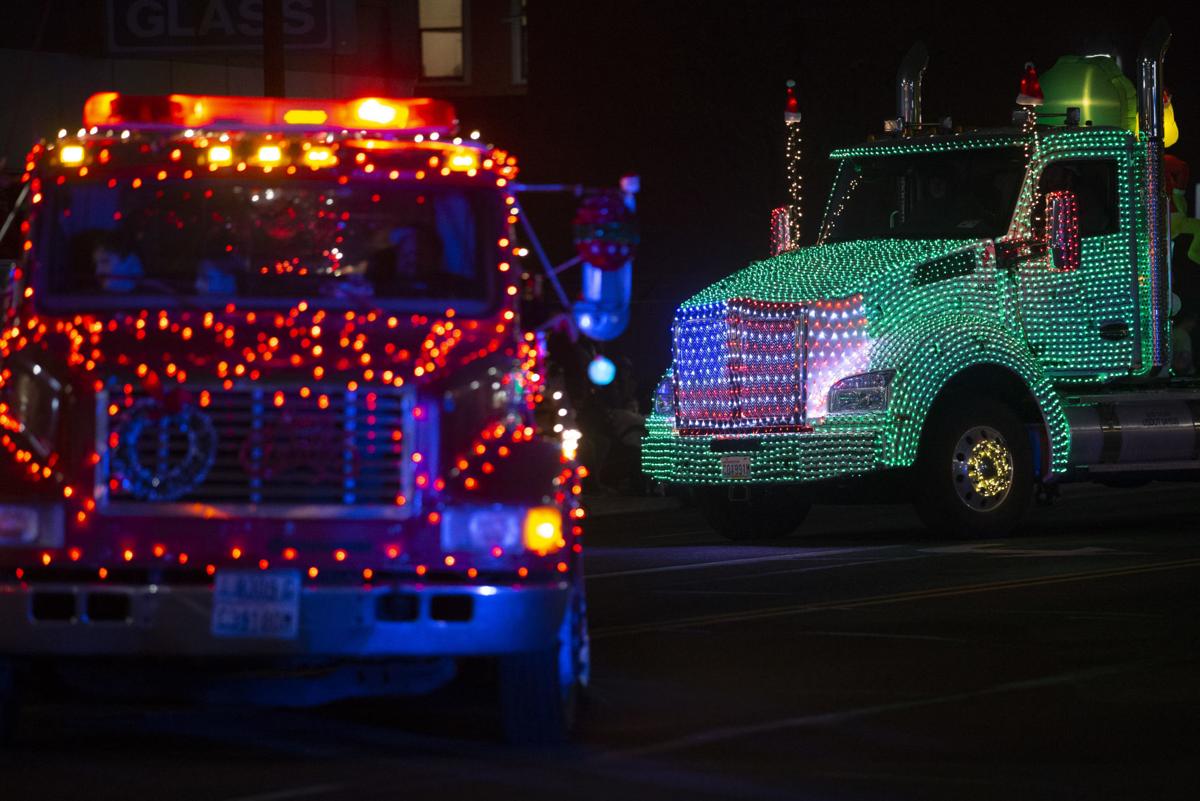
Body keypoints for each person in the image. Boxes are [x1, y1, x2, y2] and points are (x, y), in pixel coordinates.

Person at [1173, 309, 1196, 376]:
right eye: (1194, 322)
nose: (1194, 325)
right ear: (1187, 321)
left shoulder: (1172, 332)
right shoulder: (1184, 336)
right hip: (1183, 375)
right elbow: (1184, 362)